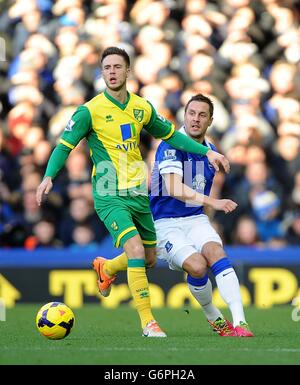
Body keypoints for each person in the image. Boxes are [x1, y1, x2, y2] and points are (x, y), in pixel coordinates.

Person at [36, 47, 230, 338]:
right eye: (107, 68)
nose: (112, 72)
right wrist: (48, 176)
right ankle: (148, 323)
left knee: (149, 259)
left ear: (128, 71)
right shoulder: (89, 111)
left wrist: (207, 152)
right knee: (136, 249)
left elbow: (172, 135)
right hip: (108, 193)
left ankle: (108, 268)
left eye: (117, 67)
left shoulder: (142, 107)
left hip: (139, 192)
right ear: (102, 73)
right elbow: (65, 146)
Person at [150, 94, 254, 337]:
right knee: (197, 267)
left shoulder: (210, 150)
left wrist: (209, 207)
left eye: (202, 115)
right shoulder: (170, 145)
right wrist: (214, 202)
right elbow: (174, 189)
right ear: (184, 116)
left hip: (195, 218)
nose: (195, 119)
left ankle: (240, 322)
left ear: (210, 121)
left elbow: (199, 188)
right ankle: (213, 317)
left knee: (216, 253)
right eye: (191, 113)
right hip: (165, 224)